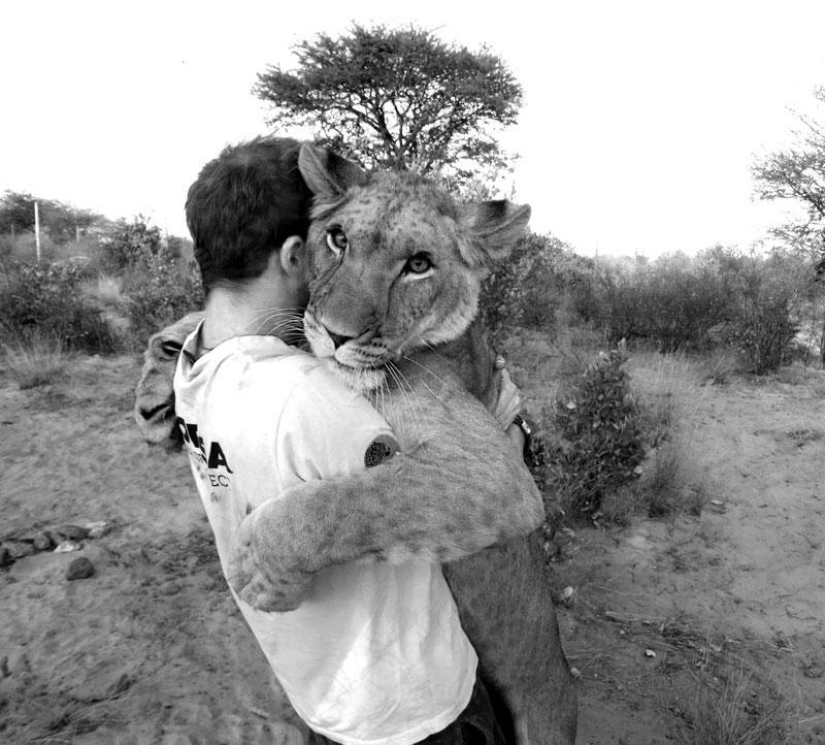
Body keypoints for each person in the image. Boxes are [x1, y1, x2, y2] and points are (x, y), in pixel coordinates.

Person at [172, 136, 539, 745]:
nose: (343, 321)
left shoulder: (196, 371)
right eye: (337, 242)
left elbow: (506, 493)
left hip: (372, 696)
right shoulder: (311, 400)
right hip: (393, 702)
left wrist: (298, 531)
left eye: (415, 265)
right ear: (299, 251)